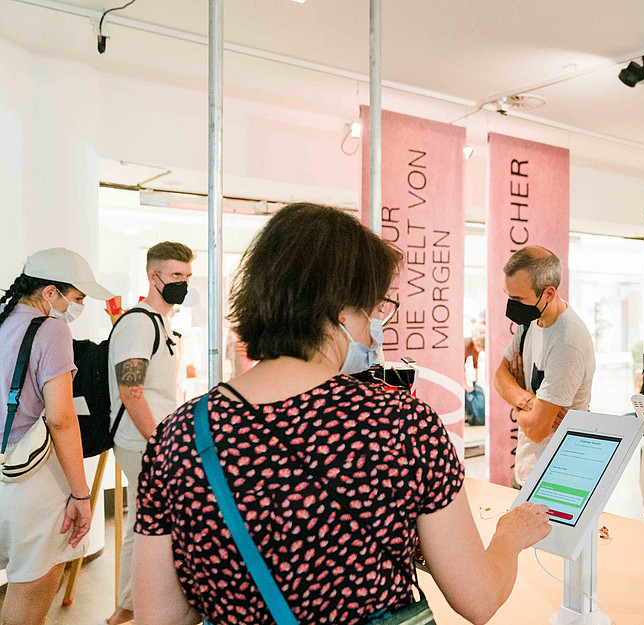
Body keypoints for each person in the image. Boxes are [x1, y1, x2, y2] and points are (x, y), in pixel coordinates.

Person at [132, 203, 551, 625]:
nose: (374, 327)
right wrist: (509, 536)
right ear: (340, 311)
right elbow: (478, 599)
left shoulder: (181, 435)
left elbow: (158, 615)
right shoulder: (403, 425)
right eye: (373, 308)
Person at [0, 248, 113, 625]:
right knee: (30, 593)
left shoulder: (2, 321)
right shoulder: (51, 330)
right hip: (27, 481)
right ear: (50, 293)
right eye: (77, 298)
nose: (77, 307)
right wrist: (81, 493)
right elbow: (62, 419)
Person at [107, 241, 194, 625]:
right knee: (151, 527)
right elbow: (131, 389)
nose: (182, 283)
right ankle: (133, 608)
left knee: (144, 524)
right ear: (153, 275)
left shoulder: (164, 323)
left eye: (187, 276)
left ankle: (128, 607)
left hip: (155, 441)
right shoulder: (139, 322)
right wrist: (160, 443)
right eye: (176, 275)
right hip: (141, 442)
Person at [493, 247, 595, 488]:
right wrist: (529, 402)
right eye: (507, 295)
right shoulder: (530, 321)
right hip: (526, 470)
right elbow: (500, 375)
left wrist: (516, 400)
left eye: (517, 299)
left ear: (548, 293)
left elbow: (538, 430)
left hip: (559, 480)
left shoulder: (567, 343)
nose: (511, 305)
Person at [464, 332, 486, 425]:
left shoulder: (476, 350)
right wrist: (465, 385)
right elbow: (459, 368)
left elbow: (475, 364)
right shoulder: (466, 346)